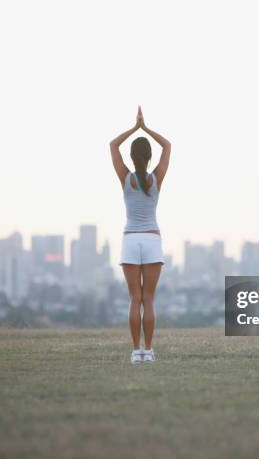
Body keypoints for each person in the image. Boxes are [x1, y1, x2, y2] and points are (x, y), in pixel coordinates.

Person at [109, 106, 171, 364]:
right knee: (149, 299)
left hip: (131, 241)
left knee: (135, 298)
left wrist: (134, 128)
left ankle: (137, 351)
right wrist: (146, 128)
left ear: (132, 157)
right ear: (149, 157)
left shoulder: (126, 178)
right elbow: (167, 146)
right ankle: (149, 349)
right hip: (152, 240)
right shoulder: (157, 177)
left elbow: (113, 145)